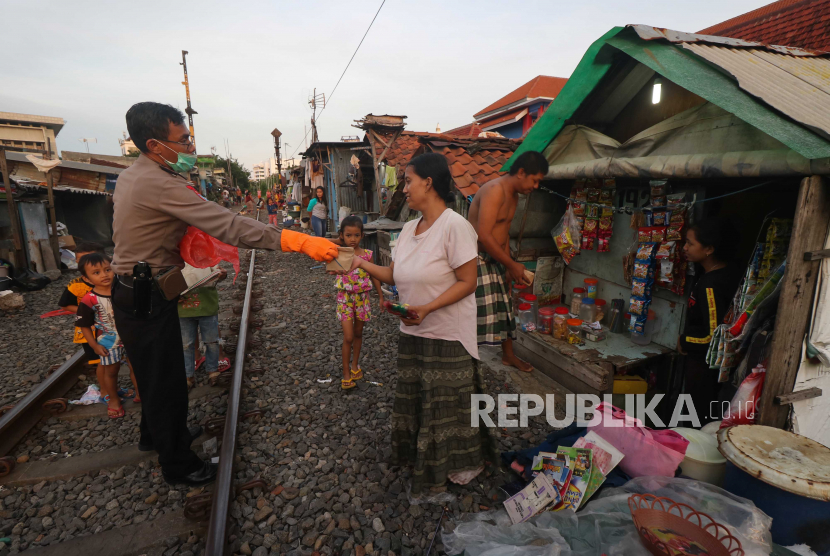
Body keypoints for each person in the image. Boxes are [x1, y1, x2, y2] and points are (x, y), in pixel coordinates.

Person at [111, 102, 337, 486]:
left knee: (153, 373)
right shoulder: (159, 183)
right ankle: (178, 465)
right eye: (182, 141)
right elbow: (229, 225)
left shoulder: (136, 174)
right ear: (154, 144)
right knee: (165, 381)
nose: (190, 148)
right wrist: (297, 241)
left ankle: (157, 436)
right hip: (145, 294)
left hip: (138, 289)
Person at [338, 153, 493, 494]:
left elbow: (468, 282)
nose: (403, 188)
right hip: (413, 328)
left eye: (408, 181)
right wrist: (357, 264)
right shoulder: (409, 228)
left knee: (446, 404)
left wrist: (428, 307)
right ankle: (418, 456)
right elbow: (394, 274)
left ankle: (459, 465)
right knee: (419, 399)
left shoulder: (455, 226)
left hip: (447, 333)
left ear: (429, 182)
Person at [467, 151, 548, 373]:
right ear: (521, 172)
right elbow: (483, 235)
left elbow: (501, 234)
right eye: (535, 180)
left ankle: (508, 356)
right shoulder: (494, 190)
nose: (537, 186)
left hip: (497, 257)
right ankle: (466, 362)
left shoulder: (514, 195)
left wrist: (509, 264)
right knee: (476, 313)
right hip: (476, 259)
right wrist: (512, 265)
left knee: (504, 306)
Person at [678, 218, 741, 425]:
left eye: (690, 243)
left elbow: (713, 335)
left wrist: (684, 341)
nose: (684, 248)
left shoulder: (710, 284)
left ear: (709, 249)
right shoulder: (728, 271)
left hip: (704, 366)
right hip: (714, 366)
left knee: (694, 419)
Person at [75, 253, 141, 418]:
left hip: (132, 337)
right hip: (108, 342)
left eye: (107, 269)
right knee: (111, 371)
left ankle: (141, 394)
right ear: (87, 279)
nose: (104, 275)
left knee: (137, 367)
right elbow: (84, 326)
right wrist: (94, 345)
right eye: (96, 272)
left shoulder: (124, 291)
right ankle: (113, 399)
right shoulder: (89, 300)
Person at [333, 216, 383, 390]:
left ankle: (355, 366)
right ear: (342, 236)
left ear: (362, 235)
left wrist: (381, 297)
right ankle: (346, 373)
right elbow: (329, 268)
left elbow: (375, 275)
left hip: (363, 298)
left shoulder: (367, 255)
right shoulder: (339, 252)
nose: (352, 239)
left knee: (359, 333)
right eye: (348, 235)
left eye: (356, 235)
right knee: (348, 336)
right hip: (345, 298)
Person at [179, 264, 230, 389]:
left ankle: (212, 371)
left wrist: (222, 275)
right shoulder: (176, 258)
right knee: (186, 344)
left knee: (211, 341)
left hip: (206, 307)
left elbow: (219, 273)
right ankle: (188, 375)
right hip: (184, 310)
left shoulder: (208, 258)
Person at [58, 240, 106, 366]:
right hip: (88, 330)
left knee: (113, 361)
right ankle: (104, 386)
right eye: (80, 260)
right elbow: (65, 305)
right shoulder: (75, 285)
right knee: (98, 362)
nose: (83, 263)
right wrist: (87, 311)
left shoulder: (111, 281)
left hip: (112, 329)